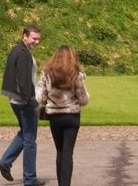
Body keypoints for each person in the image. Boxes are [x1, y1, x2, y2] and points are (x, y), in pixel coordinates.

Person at [0, 25, 45, 186]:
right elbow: (24, 82)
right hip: (24, 101)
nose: (36, 41)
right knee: (30, 140)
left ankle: (5, 162)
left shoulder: (17, 50)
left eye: (38, 39)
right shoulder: (23, 54)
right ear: (24, 36)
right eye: (34, 38)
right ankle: (30, 179)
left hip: (15, 100)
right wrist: (32, 102)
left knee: (25, 134)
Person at [37, 46, 90, 186]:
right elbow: (84, 100)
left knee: (60, 152)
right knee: (68, 154)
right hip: (72, 116)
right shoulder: (76, 75)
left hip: (55, 116)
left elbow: (40, 98)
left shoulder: (47, 73)